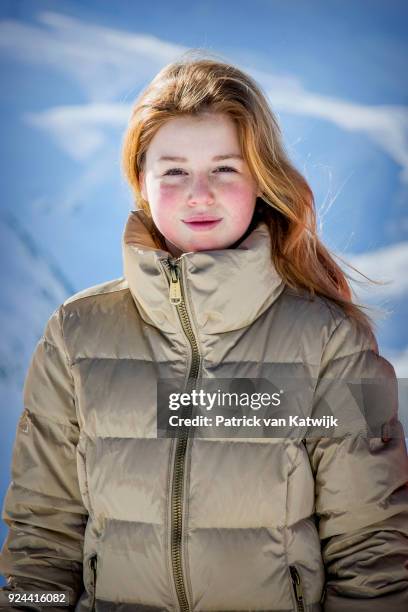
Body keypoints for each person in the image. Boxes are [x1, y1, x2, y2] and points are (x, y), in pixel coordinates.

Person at [0, 52, 407, 612]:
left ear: (261, 179)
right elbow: (40, 539)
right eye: (174, 170)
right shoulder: (75, 336)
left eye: (225, 167)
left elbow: (373, 549)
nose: (199, 192)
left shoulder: (332, 343)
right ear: (141, 182)